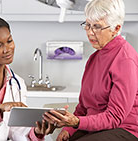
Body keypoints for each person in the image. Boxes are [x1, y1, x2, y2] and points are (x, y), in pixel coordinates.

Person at [43, 0, 138, 140]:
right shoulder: (94, 58)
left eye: (97, 27)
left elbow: (114, 117)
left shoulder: (125, 59)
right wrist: (69, 129)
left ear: (116, 28)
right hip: (97, 128)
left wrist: (77, 122)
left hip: (124, 129)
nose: (90, 32)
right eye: (87, 25)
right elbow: (83, 106)